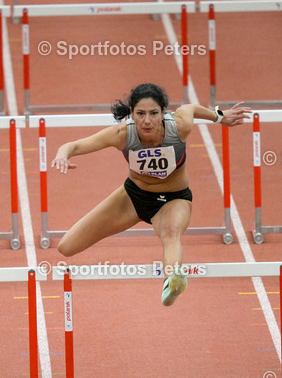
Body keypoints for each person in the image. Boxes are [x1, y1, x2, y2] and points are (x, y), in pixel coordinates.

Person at [51, 83, 251, 306]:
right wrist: (62, 154)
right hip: (132, 197)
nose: (147, 120)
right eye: (140, 114)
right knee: (66, 247)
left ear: (164, 112)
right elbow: (75, 145)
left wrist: (219, 117)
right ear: (131, 114)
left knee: (171, 233)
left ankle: (172, 280)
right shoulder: (122, 135)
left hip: (174, 199)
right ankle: (172, 276)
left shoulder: (179, 126)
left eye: (154, 113)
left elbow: (190, 108)